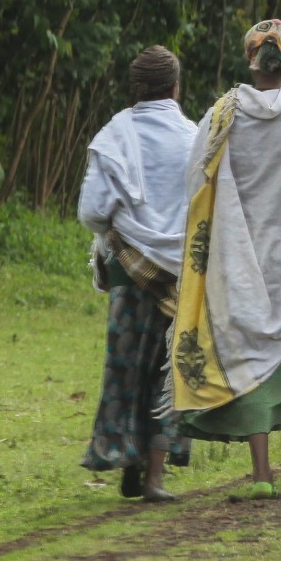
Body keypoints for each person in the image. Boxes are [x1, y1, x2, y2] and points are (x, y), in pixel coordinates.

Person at [171, 19, 281, 500]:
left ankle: (260, 473)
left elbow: (196, 183)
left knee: (249, 355)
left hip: (238, 265)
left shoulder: (222, 115)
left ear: (251, 62)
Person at [79, 45, 197, 501]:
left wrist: (120, 230)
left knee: (126, 367)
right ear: (175, 87)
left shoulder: (115, 135)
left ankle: (124, 454)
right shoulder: (192, 136)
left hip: (131, 273)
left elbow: (92, 209)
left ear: (135, 89)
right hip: (180, 276)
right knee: (170, 372)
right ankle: (153, 477)